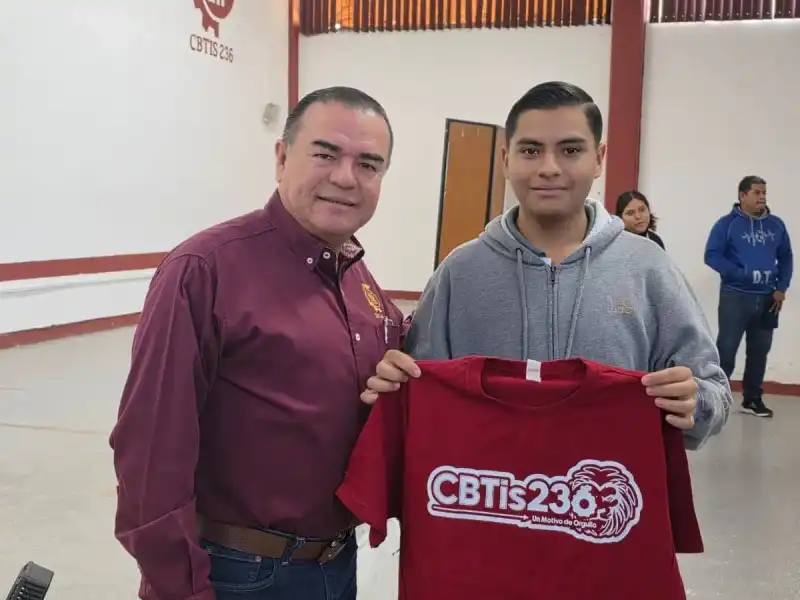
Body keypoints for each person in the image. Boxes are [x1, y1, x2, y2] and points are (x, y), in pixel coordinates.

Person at [109, 86, 405, 600]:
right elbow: (150, 453)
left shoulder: (361, 283)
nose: (345, 177)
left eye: (368, 164)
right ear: (282, 157)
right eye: (325, 154)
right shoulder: (205, 270)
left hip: (337, 565)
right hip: (238, 574)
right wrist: (180, 588)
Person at [363, 81, 731, 452]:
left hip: (606, 485)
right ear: (506, 160)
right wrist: (393, 387)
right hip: (488, 486)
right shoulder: (459, 273)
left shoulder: (649, 268)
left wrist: (695, 402)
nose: (549, 168)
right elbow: (418, 391)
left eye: (570, 150)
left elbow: (713, 390)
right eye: (531, 150)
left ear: (599, 158)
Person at [704, 175, 793, 418]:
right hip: (736, 296)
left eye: (764, 192)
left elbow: (786, 257)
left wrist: (781, 288)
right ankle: (715, 399)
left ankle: (752, 399)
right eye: (756, 192)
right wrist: (739, 274)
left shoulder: (776, 225)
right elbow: (712, 255)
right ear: (742, 195)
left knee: (759, 351)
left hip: (768, 299)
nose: (762, 197)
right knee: (726, 349)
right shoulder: (727, 225)